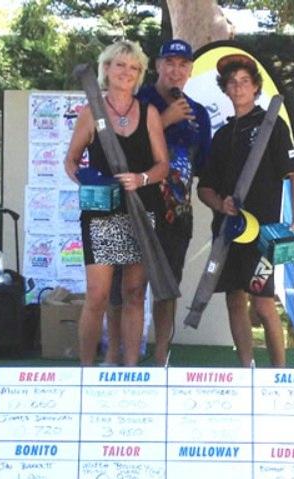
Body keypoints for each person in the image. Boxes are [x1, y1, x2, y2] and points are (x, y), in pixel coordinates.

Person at [105, 39, 211, 366]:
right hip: (131, 207)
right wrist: (163, 120)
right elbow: (120, 148)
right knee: (121, 286)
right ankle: (114, 354)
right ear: (157, 66)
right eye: (170, 63)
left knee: (166, 288)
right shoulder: (138, 100)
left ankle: (162, 354)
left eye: (183, 65)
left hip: (175, 214)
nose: (176, 71)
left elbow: (203, 168)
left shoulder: (199, 114)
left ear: (191, 71)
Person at [64, 40, 169, 366]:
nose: (126, 72)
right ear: (106, 69)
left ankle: (130, 369)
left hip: (141, 211)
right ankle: (86, 369)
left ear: (139, 75)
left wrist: (141, 179)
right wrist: (93, 185)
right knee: (97, 295)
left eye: (134, 67)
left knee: (135, 293)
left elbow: (162, 165)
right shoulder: (89, 113)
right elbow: (71, 162)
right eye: (120, 65)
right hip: (101, 215)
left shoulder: (149, 112)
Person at [197, 53, 294, 368]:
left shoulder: (272, 125)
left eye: (245, 81)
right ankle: (246, 368)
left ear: (256, 87)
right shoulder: (221, 136)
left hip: (265, 235)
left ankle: (280, 373)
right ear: (226, 90)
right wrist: (221, 204)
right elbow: (205, 189)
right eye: (233, 82)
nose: (239, 87)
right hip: (229, 233)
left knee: (263, 303)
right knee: (234, 299)